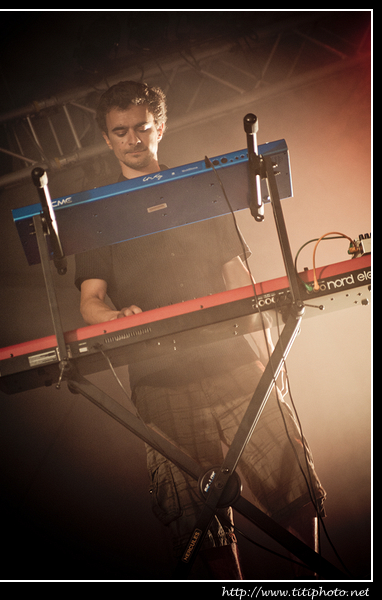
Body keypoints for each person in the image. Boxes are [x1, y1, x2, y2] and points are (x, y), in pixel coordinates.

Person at [74, 81, 326, 579]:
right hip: (160, 384)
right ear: (106, 138)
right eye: (120, 132)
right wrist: (114, 319)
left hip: (233, 364)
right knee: (196, 522)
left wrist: (262, 340)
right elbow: (91, 301)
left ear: (160, 127)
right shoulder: (98, 213)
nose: (132, 139)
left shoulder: (200, 188)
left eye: (141, 128)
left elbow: (237, 276)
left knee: (293, 488)